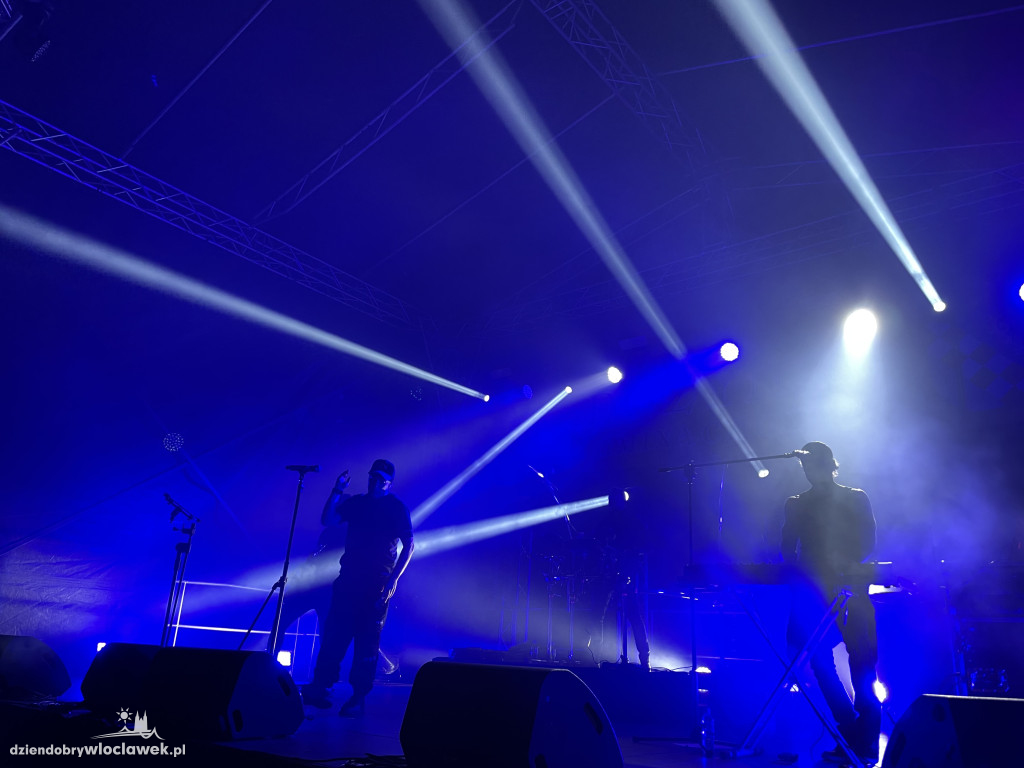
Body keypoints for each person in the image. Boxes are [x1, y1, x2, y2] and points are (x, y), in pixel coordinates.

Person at [781, 441, 880, 765]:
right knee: (807, 652)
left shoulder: (855, 497)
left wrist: (847, 563)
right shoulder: (796, 503)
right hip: (812, 590)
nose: (809, 472)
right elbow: (787, 548)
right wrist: (797, 569)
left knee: (862, 659)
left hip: (851, 587)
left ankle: (865, 739)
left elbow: (868, 541)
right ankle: (851, 730)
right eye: (806, 467)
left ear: (829, 464)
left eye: (815, 465)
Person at [302, 459, 414, 715]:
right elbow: (328, 519)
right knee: (334, 636)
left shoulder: (396, 508)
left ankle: (358, 696)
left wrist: (393, 580)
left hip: (376, 585)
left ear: (389, 483)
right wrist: (337, 489)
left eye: (381, 479)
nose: (375, 481)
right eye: (373, 476)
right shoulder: (358, 503)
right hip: (348, 581)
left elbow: (409, 545)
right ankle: (320, 687)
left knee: (367, 643)